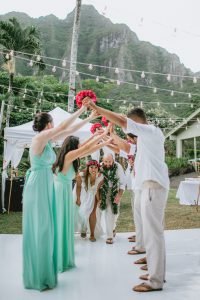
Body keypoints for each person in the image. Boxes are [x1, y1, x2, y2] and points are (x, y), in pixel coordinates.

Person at [83, 99, 169, 292]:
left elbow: (122, 121)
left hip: (152, 187)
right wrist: (110, 134)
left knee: (154, 234)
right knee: (153, 233)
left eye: (130, 126)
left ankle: (155, 280)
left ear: (137, 122)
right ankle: (156, 273)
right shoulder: (146, 137)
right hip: (150, 186)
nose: (128, 133)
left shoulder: (150, 131)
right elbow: (126, 148)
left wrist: (97, 109)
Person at [22, 106, 97, 290]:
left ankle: (44, 273)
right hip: (38, 185)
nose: (54, 125)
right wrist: (81, 110)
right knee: (42, 228)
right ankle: (39, 276)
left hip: (45, 184)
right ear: (48, 124)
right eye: (52, 123)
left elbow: (69, 130)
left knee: (46, 228)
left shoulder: (46, 140)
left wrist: (90, 117)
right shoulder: (40, 137)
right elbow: (64, 126)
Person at [52, 132, 112, 272]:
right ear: (73, 146)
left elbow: (87, 148)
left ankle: (63, 253)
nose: (81, 146)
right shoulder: (68, 156)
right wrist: (102, 138)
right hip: (61, 192)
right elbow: (86, 148)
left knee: (65, 221)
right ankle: (58, 254)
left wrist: (100, 138)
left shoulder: (70, 156)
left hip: (64, 190)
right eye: (78, 144)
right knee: (61, 221)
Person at [100, 153, 126, 244]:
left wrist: (119, 195)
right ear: (103, 161)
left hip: (115, 191)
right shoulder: (100, 166)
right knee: (108, 212)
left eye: (109, 162)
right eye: (105, 161)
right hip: (104, 190)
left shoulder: (118, 167)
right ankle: (109, 236)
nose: (107, 164)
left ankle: (113, 228)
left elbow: (123, 183)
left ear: (113, 160)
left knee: (115, 213)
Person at [76, 160, 103, 241]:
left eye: (95, 167)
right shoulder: (81, 175)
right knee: (81, 212)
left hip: (93, 194)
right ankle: (83, 229)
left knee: (93, 212)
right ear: (88, 168)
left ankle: (92, 234)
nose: (93, 169)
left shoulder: (100, 177)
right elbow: (78, 187)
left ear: (98, 168)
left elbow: (97, 190)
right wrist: (78, 198)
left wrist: (99, 200)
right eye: (91, 167)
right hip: (82, 194)